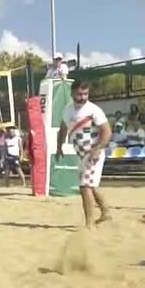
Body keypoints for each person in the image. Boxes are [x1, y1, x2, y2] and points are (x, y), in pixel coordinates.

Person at [56, 81, 114, 228]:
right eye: (79, 94)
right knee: (92, 186)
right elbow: (63, 129)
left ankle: (89, 224)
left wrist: (98, 148)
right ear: (72, 93)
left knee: (85, 186)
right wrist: (59, 147)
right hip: (81, 155)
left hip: (93, 154)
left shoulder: (94, 110)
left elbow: (107, 132)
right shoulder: (67, 109)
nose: (83, 97)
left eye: (85, 94)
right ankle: (106, 212)